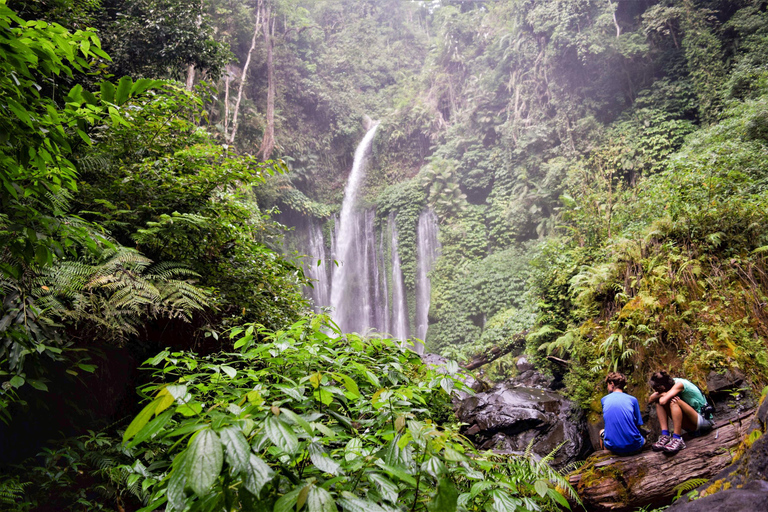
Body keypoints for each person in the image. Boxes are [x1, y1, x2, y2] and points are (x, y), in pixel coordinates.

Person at [648, 370, 714, 455]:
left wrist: (662, 395)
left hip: (704, 420)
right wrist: (661, 394)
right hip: (692, 422)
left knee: (675, 401)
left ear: (662, 387)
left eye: (657, 390)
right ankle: (665, 435)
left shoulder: (679, 384)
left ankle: (677, 439)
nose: (656, 392)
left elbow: (663, 401)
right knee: (658, 402)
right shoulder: (668, 384)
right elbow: (651, 399)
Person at [600, 372, 645, 455]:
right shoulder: (633, 400)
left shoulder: (604, 400)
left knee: (602, 432)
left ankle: (606, 459)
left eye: (607, 385)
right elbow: (638, 425)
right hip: (634, 446)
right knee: (643, 436)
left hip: (613, 447)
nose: (607, 388)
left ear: (612, 384)